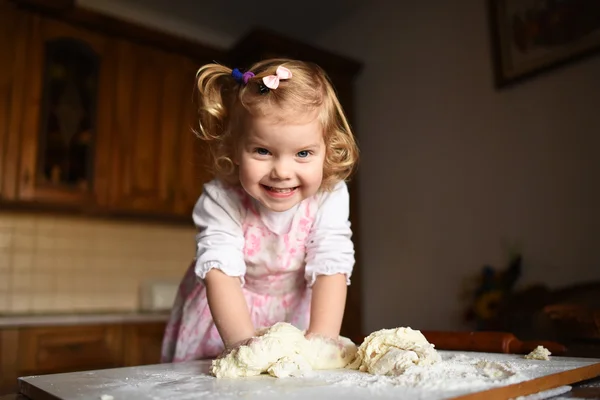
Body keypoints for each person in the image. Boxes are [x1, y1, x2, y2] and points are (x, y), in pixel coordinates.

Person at [161, 58, 359, 362]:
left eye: (303, 153)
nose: (282, 171)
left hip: (296, 314)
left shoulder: (329, 196)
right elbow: (220, 273)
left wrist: (322, 341)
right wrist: (245, 348)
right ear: (234, 148)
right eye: (262, 151)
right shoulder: (221, 199)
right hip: (227, 318)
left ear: (328, 151)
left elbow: (330, 265)